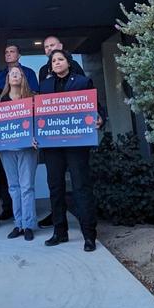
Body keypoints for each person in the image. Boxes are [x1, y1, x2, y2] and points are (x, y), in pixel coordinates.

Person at [39, 49, 106, 252]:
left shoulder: (82, 82)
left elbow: (97, 108)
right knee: (55, 188)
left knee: (81, 187)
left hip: (77, 144)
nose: (57, 63)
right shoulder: (45, 86)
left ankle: (89, 235)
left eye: (61, 59)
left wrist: (100, 119)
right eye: (54, 61)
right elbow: (38, 113)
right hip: (52, 146)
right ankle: (60, 232)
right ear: (50, 66)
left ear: (69, 63)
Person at [0, 67, 39, 241]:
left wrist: (36, 136)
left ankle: (28, 225)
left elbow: (40, 121)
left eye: (18, 73)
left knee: (27, 187)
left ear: (23, 78)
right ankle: (18, 224)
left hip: (28, 149)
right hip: (7, 150)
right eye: (11, 73)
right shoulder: (0, 100)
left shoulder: (32, 98)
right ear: (8, 78)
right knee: (13, 188)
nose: (15, 75)